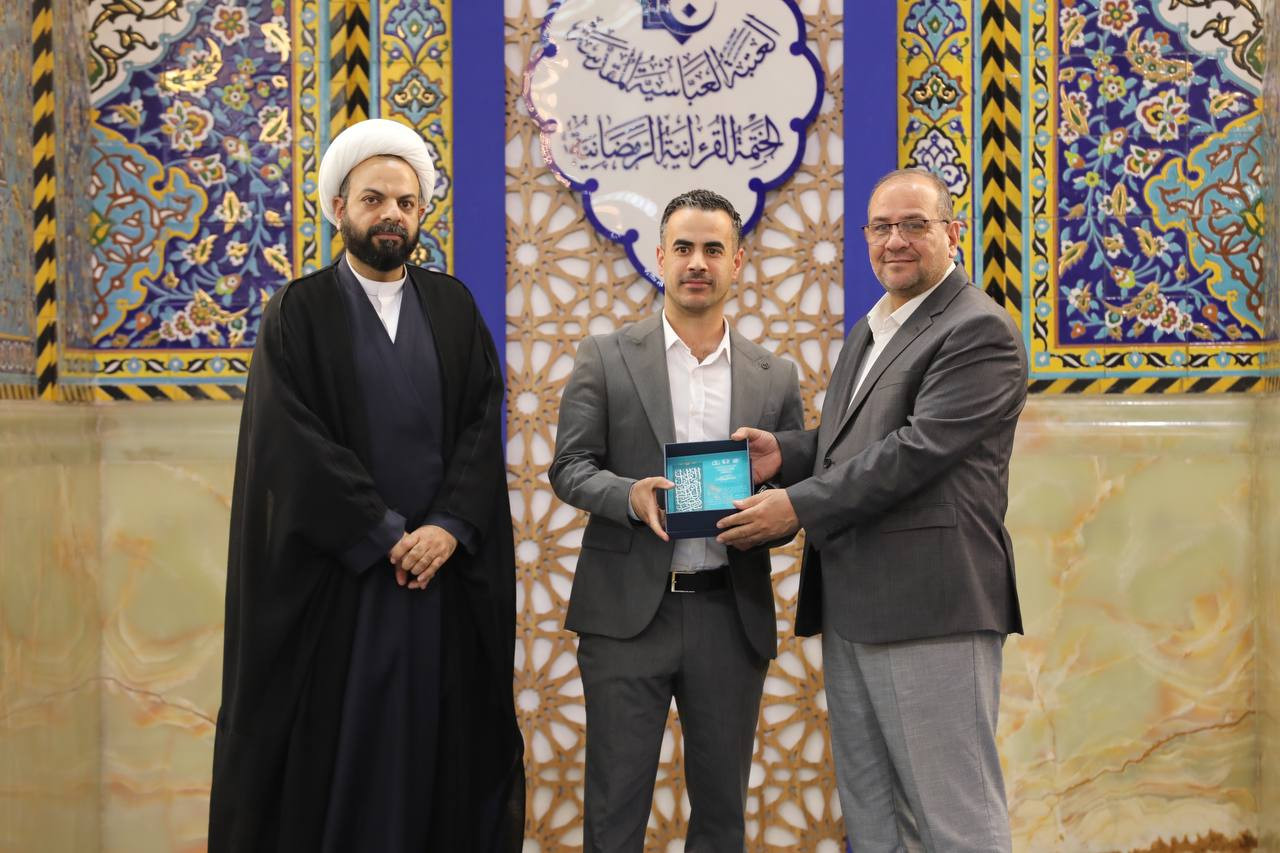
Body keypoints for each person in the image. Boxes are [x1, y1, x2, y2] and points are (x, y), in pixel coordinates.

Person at [208, 118, 524, 852]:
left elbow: (482, 427)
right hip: (342, 585)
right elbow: (293, 443)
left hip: (441, 579)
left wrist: (447, 527)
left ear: (421, 214)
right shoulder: (299, 312)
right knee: (342, 765)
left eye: (406, 203)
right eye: (374, 199)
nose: (391, 215)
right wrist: (383, 533)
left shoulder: (454, 307)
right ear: (339, 208)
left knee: (438, 758)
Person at [717, 168, 1028, 852]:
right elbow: (856, 439)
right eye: (882, 227)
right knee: (876, 816)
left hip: (931, 606)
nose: (896, 241)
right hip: (855, 605)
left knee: (955, 819)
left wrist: (796, 506)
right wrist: (786, 453)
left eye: (915, 225)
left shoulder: (978, 328)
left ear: (953, 234)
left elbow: (915, 453)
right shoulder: (873, 326)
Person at [550, 189, 804, 851]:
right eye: (684, 248)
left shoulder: (775, 376)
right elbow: (569, 467)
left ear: (737, 262)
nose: (698, 262)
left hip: (730, 615)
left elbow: (791, 493)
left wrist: (774, 518)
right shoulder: (604, 355)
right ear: (659, 257)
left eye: (713, 249)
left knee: (722, 818)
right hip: (626, 617)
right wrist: (629, 495)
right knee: (614, 813)